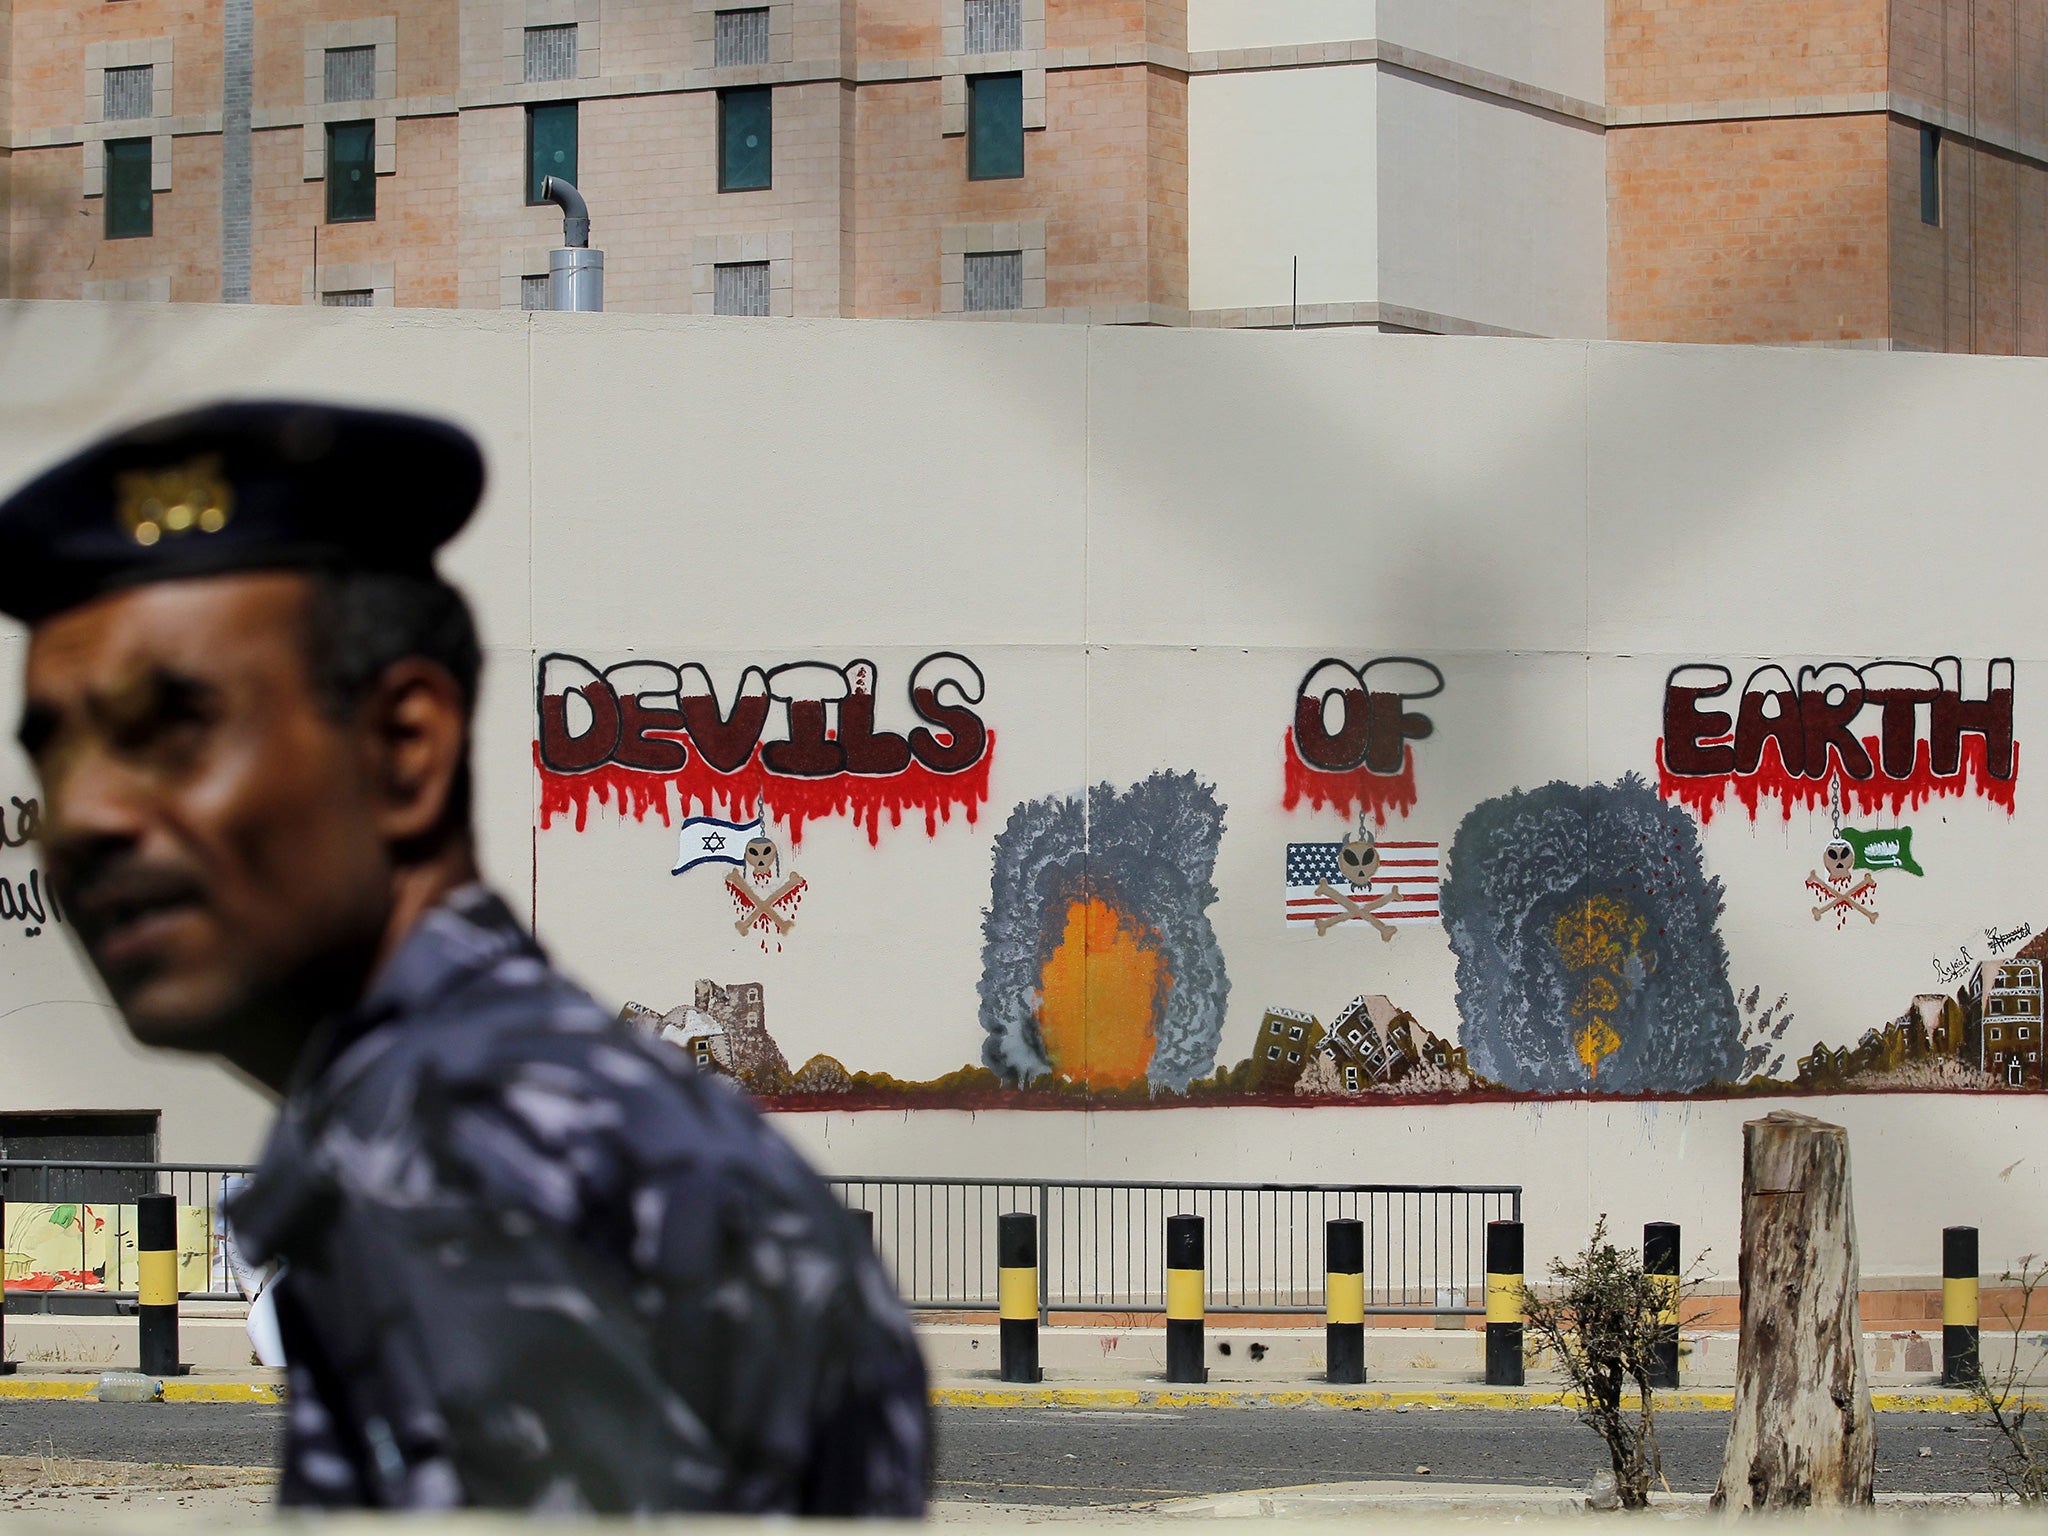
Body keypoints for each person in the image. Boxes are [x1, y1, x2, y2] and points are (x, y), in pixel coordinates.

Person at [0, 401, 929, 1512]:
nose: (89, 814)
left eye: (175, 729)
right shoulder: (498, 1118)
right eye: (59, 755)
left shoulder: (478, 1167)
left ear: (405, 749)